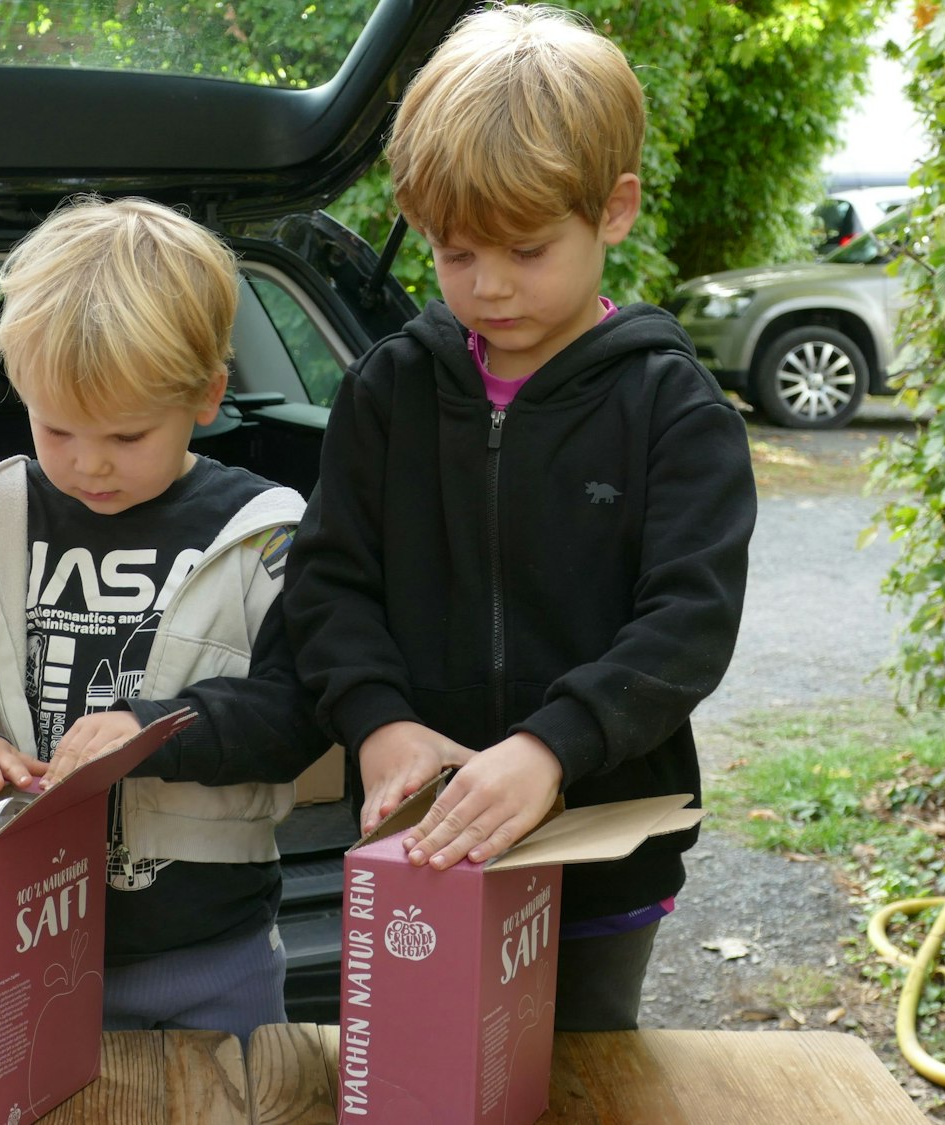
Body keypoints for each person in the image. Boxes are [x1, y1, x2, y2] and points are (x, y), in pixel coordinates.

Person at [284, 4, 756, 1032]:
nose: (487, 287)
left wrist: (551, 748)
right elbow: (324, 582)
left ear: (614, 210)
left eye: (525, 249)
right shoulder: (387, 392)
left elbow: (687, 622)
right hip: (417, 848)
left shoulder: (672, 408)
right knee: (418, 1071)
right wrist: (376, 723)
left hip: (600, 855)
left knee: (587, 1076)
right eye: (455, 255)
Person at [0, 195, 325, 1043]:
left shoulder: (265, 535)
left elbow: (304, 703)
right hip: (8, 943)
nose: (89, 463)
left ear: (209, 395)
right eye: (57, 428)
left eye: (129, 435)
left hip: (214, 956)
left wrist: (156, 729)